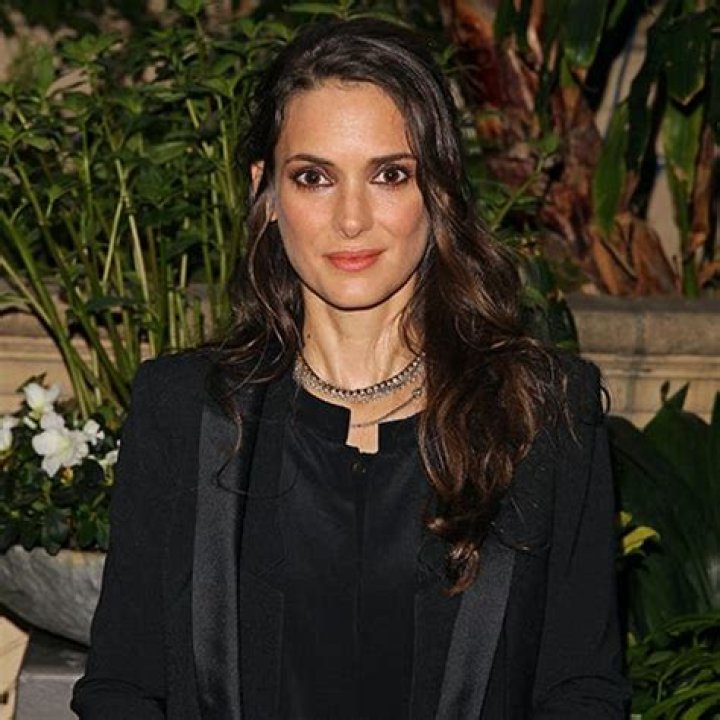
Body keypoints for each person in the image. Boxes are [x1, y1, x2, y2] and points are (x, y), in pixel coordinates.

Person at [71, 17, 630, 720]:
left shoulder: (541, 412)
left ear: (441, 190)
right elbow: (123, 686)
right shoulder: (183, 409)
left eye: (390, 175)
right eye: (314, 177)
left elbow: (582, 690)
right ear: (267, 193)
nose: (352, 219)